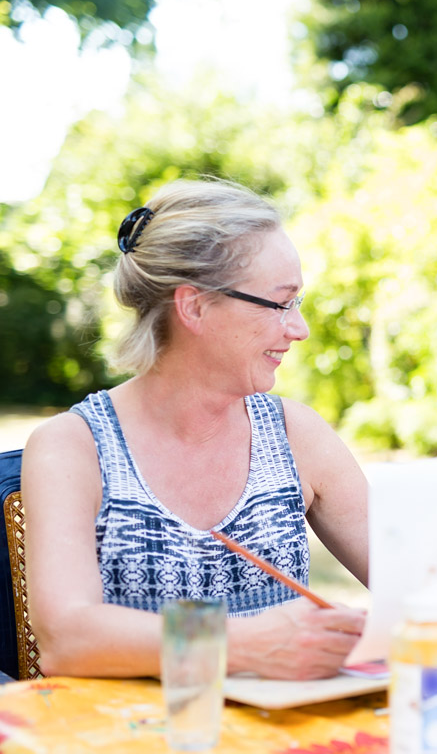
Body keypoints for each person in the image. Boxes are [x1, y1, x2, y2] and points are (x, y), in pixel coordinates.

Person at [22, 179, 369, 680]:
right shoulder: (72, 448)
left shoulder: (296, 434)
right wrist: (247, 644)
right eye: (281, 303)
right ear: (195, 306)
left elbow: (418, 584)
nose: (300, 328)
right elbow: (65, 639)